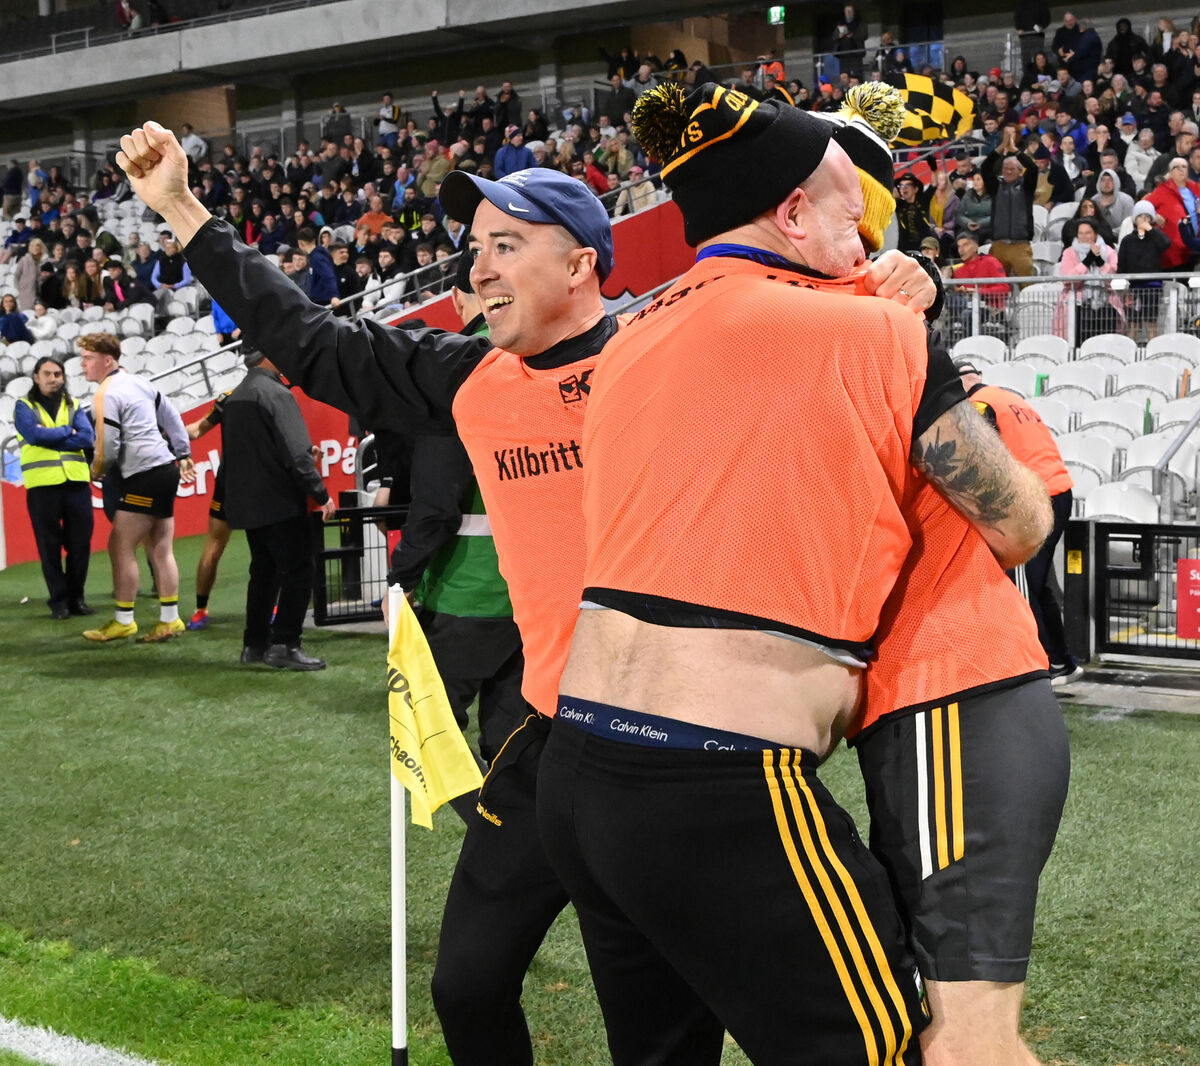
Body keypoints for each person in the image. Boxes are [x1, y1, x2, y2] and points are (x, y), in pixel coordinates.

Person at [115, 118, 936, 1066]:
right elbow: (311, 339)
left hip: (682, 744)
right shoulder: (471, 378)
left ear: (584, 262)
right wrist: (181, 208)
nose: (478, 272)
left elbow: (828, 325)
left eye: (505, 246)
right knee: (465, 983)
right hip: (547, 740)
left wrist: (910, 279)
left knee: (670, 1026)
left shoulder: (668, 349)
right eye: (474, 251)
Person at [544, 82, 1051, 1066]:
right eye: (849, 210)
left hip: (580, 774)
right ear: (791, 213)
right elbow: (1021, 522)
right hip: (719, 784)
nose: (867, 236)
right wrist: (916, 329)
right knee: (886, 1050)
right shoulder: (874, 336)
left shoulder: (629, 345)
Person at [387, 254, 525, 769]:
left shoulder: (457, 374)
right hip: (533, 597)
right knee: (515, 748)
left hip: (464, 591)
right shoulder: (546, 360)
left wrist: (400, 580)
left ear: (456, 299)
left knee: (431, 741)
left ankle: (489, 836)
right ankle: (510, 837)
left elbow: (438, 504)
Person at [956, 359, 1081, 683]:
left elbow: (982, 459)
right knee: (1038, 585)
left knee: (1025, 588)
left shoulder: (979, 404)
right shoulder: (1008, 397)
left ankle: (1036, 670)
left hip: (1034, 498)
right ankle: (1060, 662)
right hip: (1057, 490)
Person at [221, 350, 335, 668]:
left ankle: (254, 645)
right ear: (269, 356)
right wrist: (321, 493)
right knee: (299, 571)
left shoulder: (236, 396)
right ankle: (285, 643)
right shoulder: (275, 393)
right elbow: (297, 454)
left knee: (263, 573)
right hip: (281, 501)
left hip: (249, 502)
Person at [80, 332, 195, 643]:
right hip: (165, 469)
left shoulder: (106, 393)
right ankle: (170, 620)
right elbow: (171, 416)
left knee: (120, 544)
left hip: (143, 473)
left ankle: (124, 620)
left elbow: (108, 444)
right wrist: (183, 453)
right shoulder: (140, 382)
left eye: (88, 358)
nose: (83, 365)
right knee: (160, 547)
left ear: (108, 359)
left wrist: (99, 469)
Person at [14, 356, 96, 619]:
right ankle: (59, 602)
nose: (53, 379)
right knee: (49, 547)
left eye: (58, 374)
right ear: (36, 377)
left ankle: (77, 599)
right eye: (48, 374)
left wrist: (55, 436)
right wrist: (67, 432)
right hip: (42, 486)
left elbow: (87, 437)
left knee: (80, 545)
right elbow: (34, 435)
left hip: (76, 483)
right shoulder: (23, 406)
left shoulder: (74, 405)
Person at [183, 390, 234, 630]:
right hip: (259, 482)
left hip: (229, 481)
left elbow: (195, 431)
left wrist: (162, 433)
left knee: (214, 545)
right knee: (269, 549)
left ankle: (200, 611)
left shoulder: (229, 398)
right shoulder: (277, 394)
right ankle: (273, 610)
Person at [982, 126, 1038, 275]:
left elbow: (1033, 169)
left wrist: (1015, 150)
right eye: (1005, 168)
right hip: (999, 245)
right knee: (997, 288)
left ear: (1020, 171)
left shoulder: (1026, 187)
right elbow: (985, 167)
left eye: (1012, 168)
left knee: (1027, 287)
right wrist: (1001, 147)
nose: (1007, 171)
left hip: (1021, 246)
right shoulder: (996, 186)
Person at [1056, 218, 1124, 340]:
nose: (1084, 236)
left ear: (1095, 234)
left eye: (1088, 233)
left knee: (1106, 336)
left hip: (1106, 303)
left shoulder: (1109, 251)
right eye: (1080, 233)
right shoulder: (1069, 252)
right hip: (1079, 303)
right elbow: (1067, 280)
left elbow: (1114, 280)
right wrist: (1086, 262)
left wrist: (1100, 261)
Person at [1118, 199, 1171, 340]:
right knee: (1133, 323)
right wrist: (1125, 289)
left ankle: (1153, 352)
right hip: (1133, 288)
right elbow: (1121, 266)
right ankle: (1130, 352)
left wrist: (1152, 229)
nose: (1144, 219)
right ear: (1135, 219)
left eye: (1148, 216)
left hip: (1152, 286)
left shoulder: (1155, 238)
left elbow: (1166, 243)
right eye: (1140, 216)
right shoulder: (1127, 240)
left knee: (1151, 322)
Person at [1145, 157, 1200, 268]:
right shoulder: (1162, 190)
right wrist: (1154, 216)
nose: (1181, 170)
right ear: (1170, 172)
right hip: (1174, 249)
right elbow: (1142, 207)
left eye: (1184, 167)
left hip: (1196, 245)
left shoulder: (1196, 188)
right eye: (1177, 167)